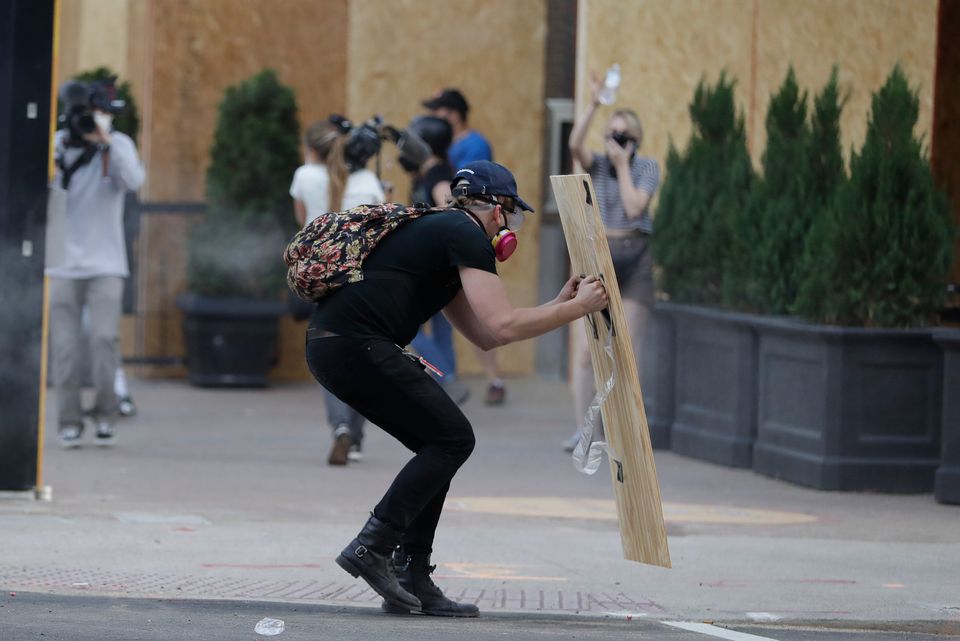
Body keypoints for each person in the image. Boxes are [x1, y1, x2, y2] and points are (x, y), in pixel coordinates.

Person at [305, 160, 608, 617]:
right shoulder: (463, 232)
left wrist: (560, 304)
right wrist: (580, 309)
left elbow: (487, 335)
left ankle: (412, 574)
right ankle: (374, 546)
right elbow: (503, 326)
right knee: (452, 439)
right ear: (496, 209)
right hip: (356, 346)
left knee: (438, 445)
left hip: (334, 347)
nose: (509, 228)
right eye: (512, 215)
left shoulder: (442, 238)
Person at [564, 73, 660, 452]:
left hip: (635, 257)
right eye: (612, 135)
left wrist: (623, 164)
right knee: (588, 352)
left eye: (624, 136)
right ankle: (585, 432)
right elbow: (574, 144)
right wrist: (594, 104)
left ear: (636, 141)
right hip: (601, 256)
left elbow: (636, 207)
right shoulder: (598, 164)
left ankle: (624, 432)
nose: (617, 142)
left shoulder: (646, 167)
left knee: (628, 352)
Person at [48, 78, 145, 448]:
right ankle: (69, 421)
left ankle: (106, 415)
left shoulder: (119, 145)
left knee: (105, 340)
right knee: (66, 348)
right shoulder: (58, 144)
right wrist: (66, 152)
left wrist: (105, 144)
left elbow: (135, 180)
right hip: (62, 263)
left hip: (107, 262)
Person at [290, 116, 386, 465]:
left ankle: (341, 427)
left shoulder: (305, 176)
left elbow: (301, 219)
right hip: (367, 279)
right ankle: (357, 437)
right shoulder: (367, 181)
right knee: (363, 355)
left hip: (324, 278)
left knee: (329, 356)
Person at [423, 88, 507, 406]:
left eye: (439, 111)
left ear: (454, 114)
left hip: (465, 237)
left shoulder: (473, 145)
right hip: (448, 238)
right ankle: (452, 378)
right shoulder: (447, 146)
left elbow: (469, 192)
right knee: (450, 312)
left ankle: (491, 379)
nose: (435, 118)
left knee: (477, 309)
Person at [401, 115, 469, 405]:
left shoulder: (439, 177)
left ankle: (447, 378)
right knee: (442, 326)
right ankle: (448, 379)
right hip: (437, 266)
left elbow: (453, 213)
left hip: (434, 267)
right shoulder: (430, 174)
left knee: (408, 325)